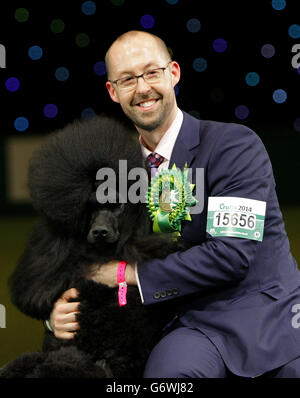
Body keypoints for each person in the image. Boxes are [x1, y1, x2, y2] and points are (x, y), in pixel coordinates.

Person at [47, 30, 300, 378]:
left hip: (266, 317)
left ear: (174, 73)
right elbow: (87, 253)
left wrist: (128, 274)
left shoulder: (234, 146)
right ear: (113, 92)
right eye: (127, 79)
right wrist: (57, 312)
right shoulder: (113, 172)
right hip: (188, 327)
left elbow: (232, 255)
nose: (142, 88)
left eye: (152, 72)